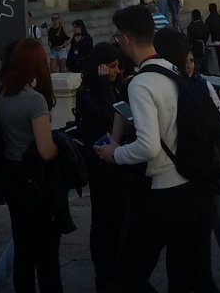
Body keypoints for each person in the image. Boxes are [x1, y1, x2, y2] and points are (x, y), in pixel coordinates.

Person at [96, 5, 215, 293]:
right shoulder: (172, 71)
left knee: (130, 272)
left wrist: (115, 154)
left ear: (124, 38)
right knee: (190, 272)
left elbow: (148, 146)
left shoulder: (141, 83)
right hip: (196, 183)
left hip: (166, 188)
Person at [154, 34, 220, 287]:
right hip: (187, 166)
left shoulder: (200, 85)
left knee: (219, 218)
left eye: (191, 60)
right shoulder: (173, 87)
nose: (189, 65)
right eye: (185, 61)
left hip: (204, 164)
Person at [0, 37, 62, 293]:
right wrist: (65, 149)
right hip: (35, 179)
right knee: (46, 251)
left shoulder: (1, 88)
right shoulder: (34, 100)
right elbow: (46, 150)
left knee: (23, 247)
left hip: (12, 175)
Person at [75, 43, 128, 293]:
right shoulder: (87, 92)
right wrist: (106, 84)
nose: (117, 71)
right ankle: (104, 274)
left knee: (117, 219)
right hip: (99, 163)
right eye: (113, 66)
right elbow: (109, 115)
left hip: (117, 161)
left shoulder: (117, 87)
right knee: (103, 220)